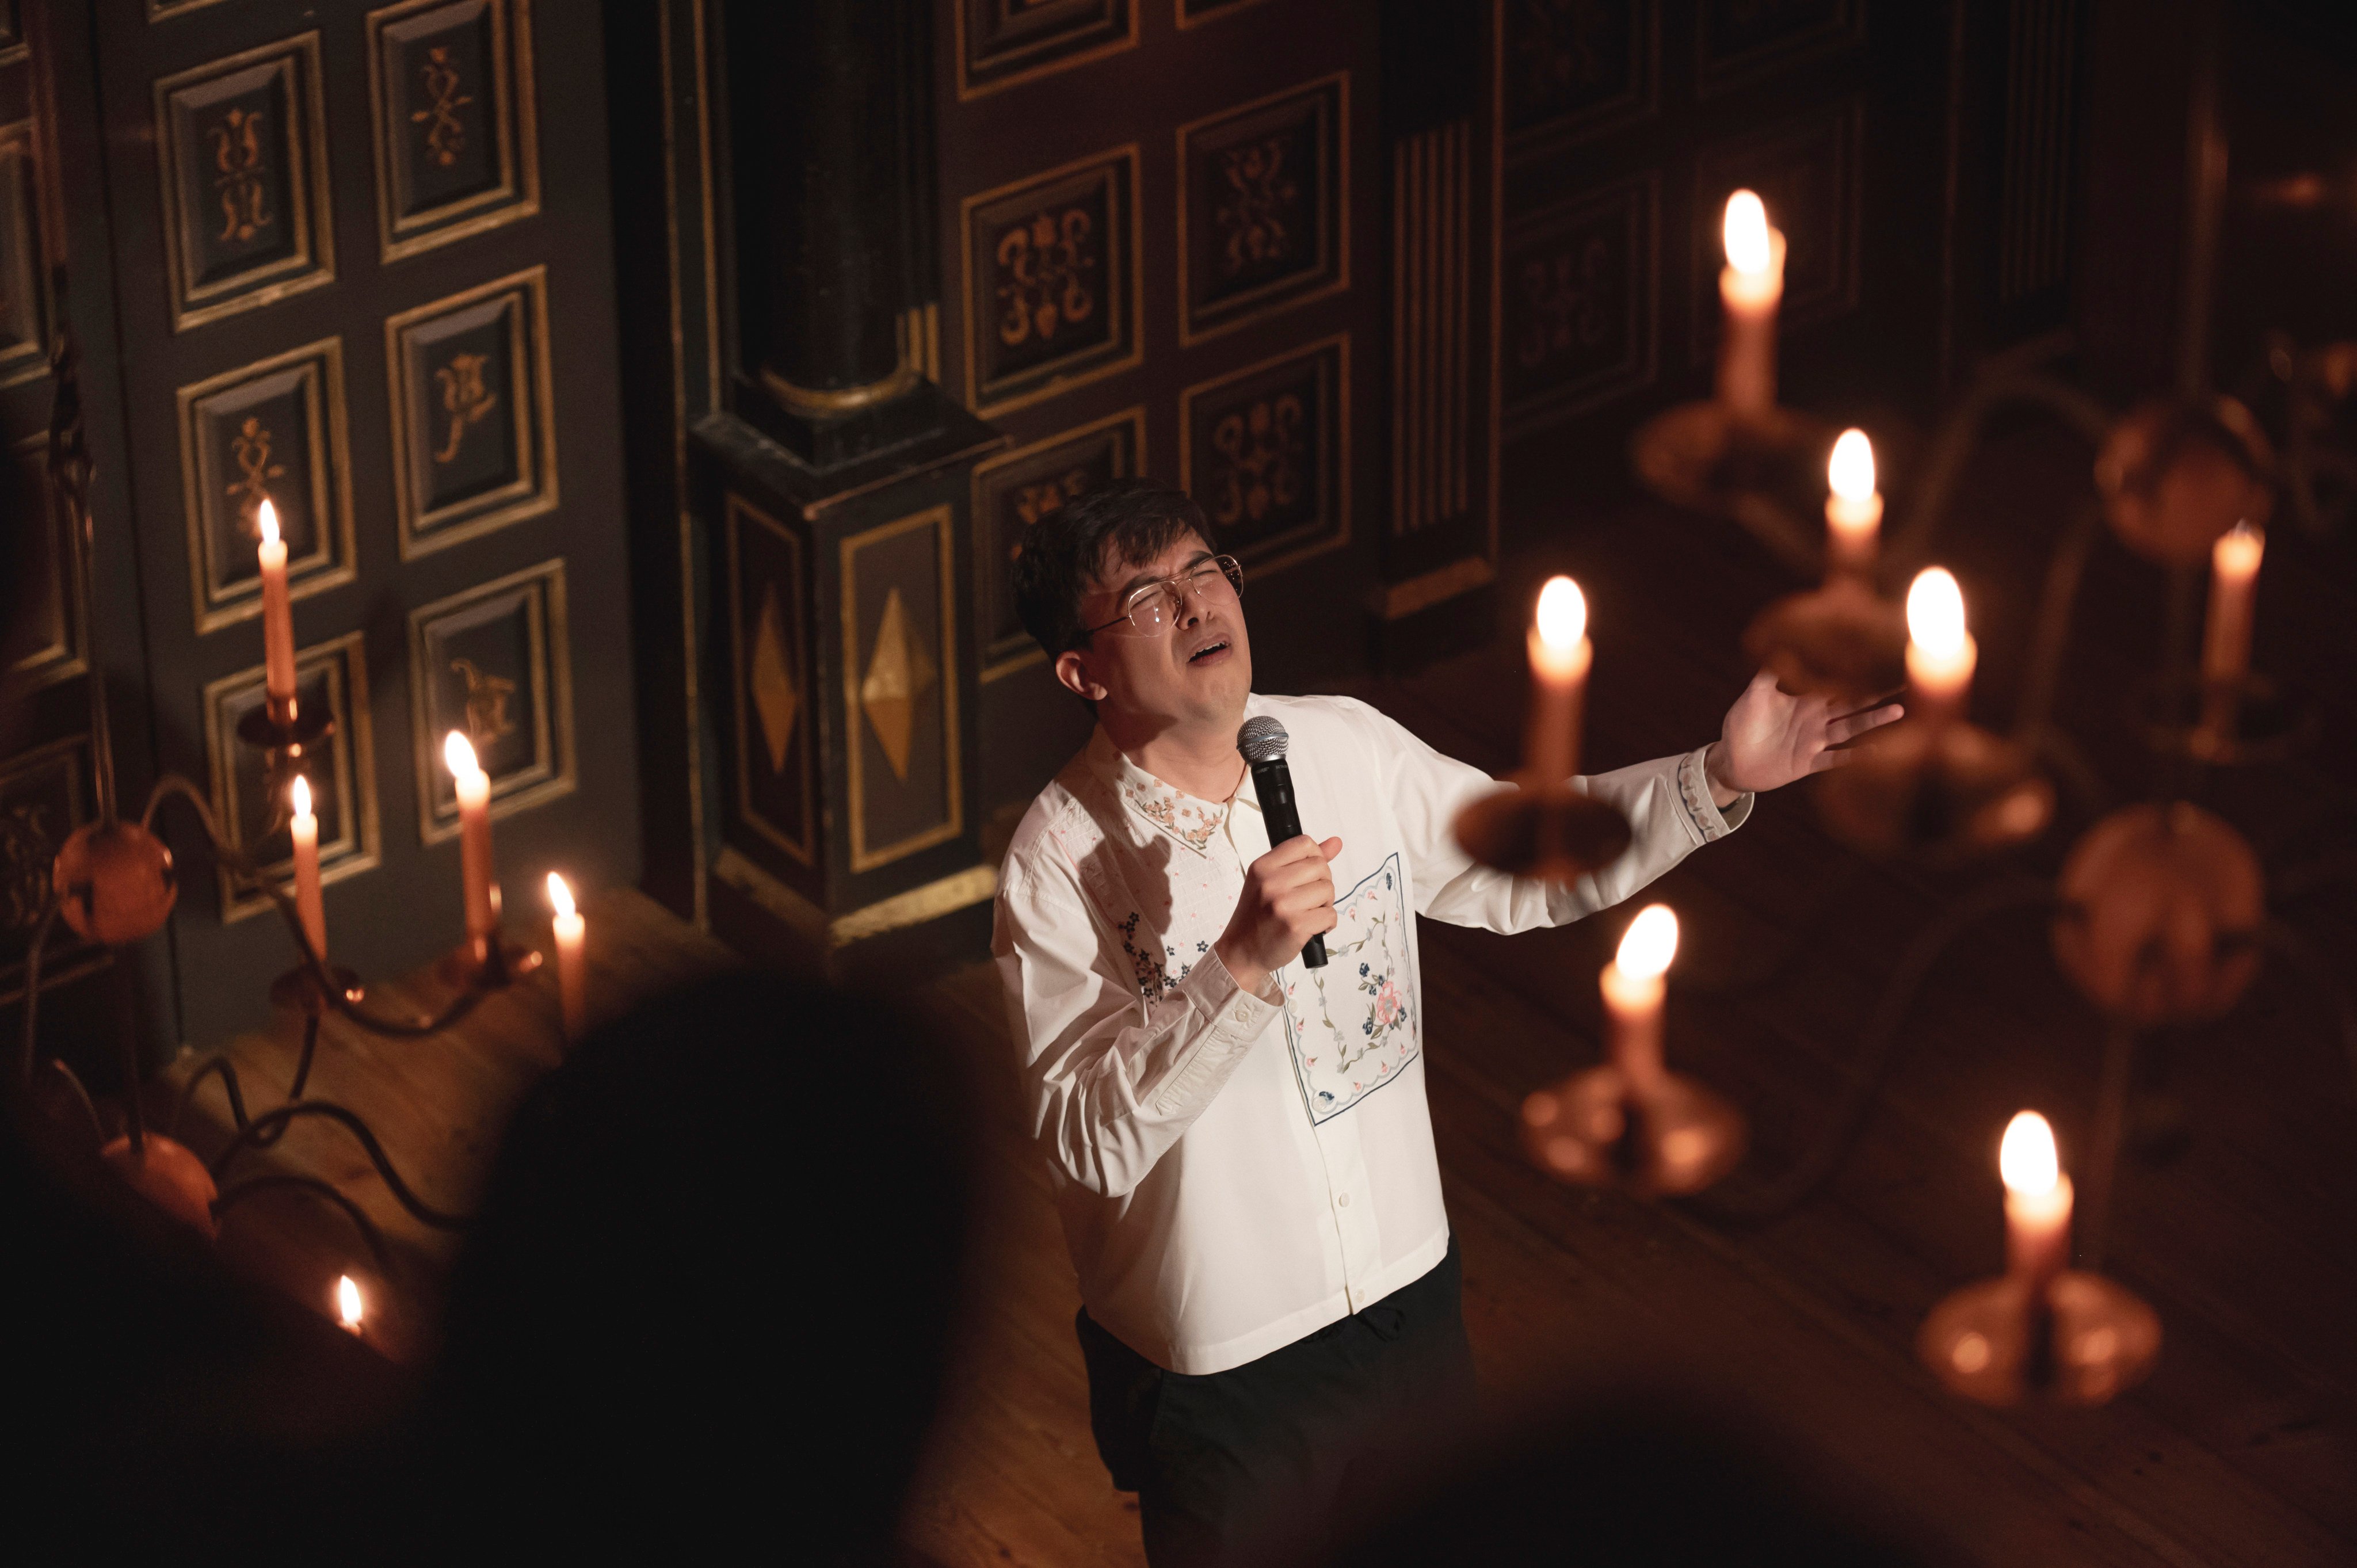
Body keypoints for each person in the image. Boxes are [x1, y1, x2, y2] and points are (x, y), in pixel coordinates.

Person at [991, 480, 1901, 1566]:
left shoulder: (1344, 749)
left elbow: (1524, 866)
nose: (1195, 607)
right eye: (1147, 597)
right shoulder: (1056, 864)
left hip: (1409, 1305)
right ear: (1082, 670)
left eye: (1204, 571)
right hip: (1222, 1368)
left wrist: (1711, 780)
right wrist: (1236, 967)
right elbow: (1085, 1141)